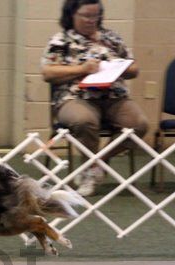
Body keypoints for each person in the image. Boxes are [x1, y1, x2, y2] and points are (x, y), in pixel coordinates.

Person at [41, 0, 148, 196]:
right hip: (74, 97)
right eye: (86, 16)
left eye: (95, 16)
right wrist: (81, 69)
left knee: (139, 124)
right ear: (72, 15)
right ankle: (90, 172)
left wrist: (117, 66)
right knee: (85, 121)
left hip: (114, 97)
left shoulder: (112, 38)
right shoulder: (60, 41)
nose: (91, 20)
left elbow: (134, 69)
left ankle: (96, 163)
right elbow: (48, 73)